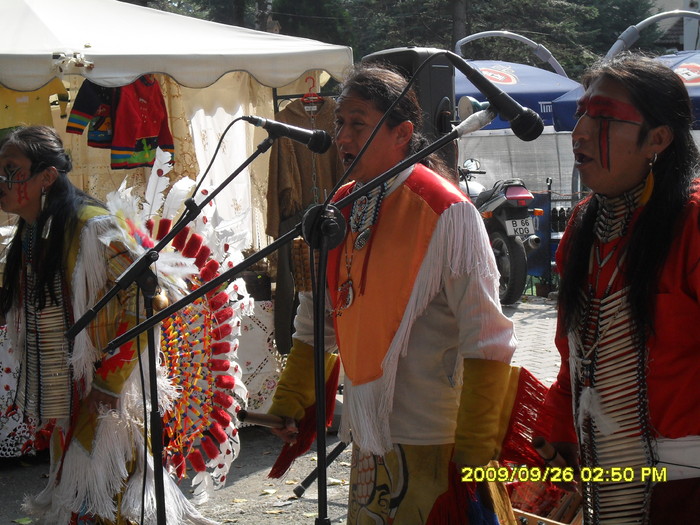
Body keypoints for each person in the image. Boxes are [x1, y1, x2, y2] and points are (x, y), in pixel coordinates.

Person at [266, 63, 519, 524]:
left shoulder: (448, 213)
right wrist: (291, 401)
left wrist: (475, 455)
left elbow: (488, 340)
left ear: (402, 132)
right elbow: (317, 317)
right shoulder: (340, 206)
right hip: (367, 437)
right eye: (339, 122)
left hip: (434, 440)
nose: (341, 137)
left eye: (357, 124)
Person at [0, 125, 215, 524]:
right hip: (74, 389)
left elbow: (148, 298)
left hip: (108, 392)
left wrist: (109, 381)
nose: (2, 181)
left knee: (107, 500)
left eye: (11, 170)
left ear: (46, 176)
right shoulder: (33, 232)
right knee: (79, 496)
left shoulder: (92, 225)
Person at [541, 52, 700, 523]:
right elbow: (572, 355)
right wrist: (556, 425)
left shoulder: (692, 222)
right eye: (581, 114)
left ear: (657, 139)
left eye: (604, 118)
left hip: (685, 482)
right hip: (604, 474)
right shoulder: (583, 226)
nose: (581, 132)